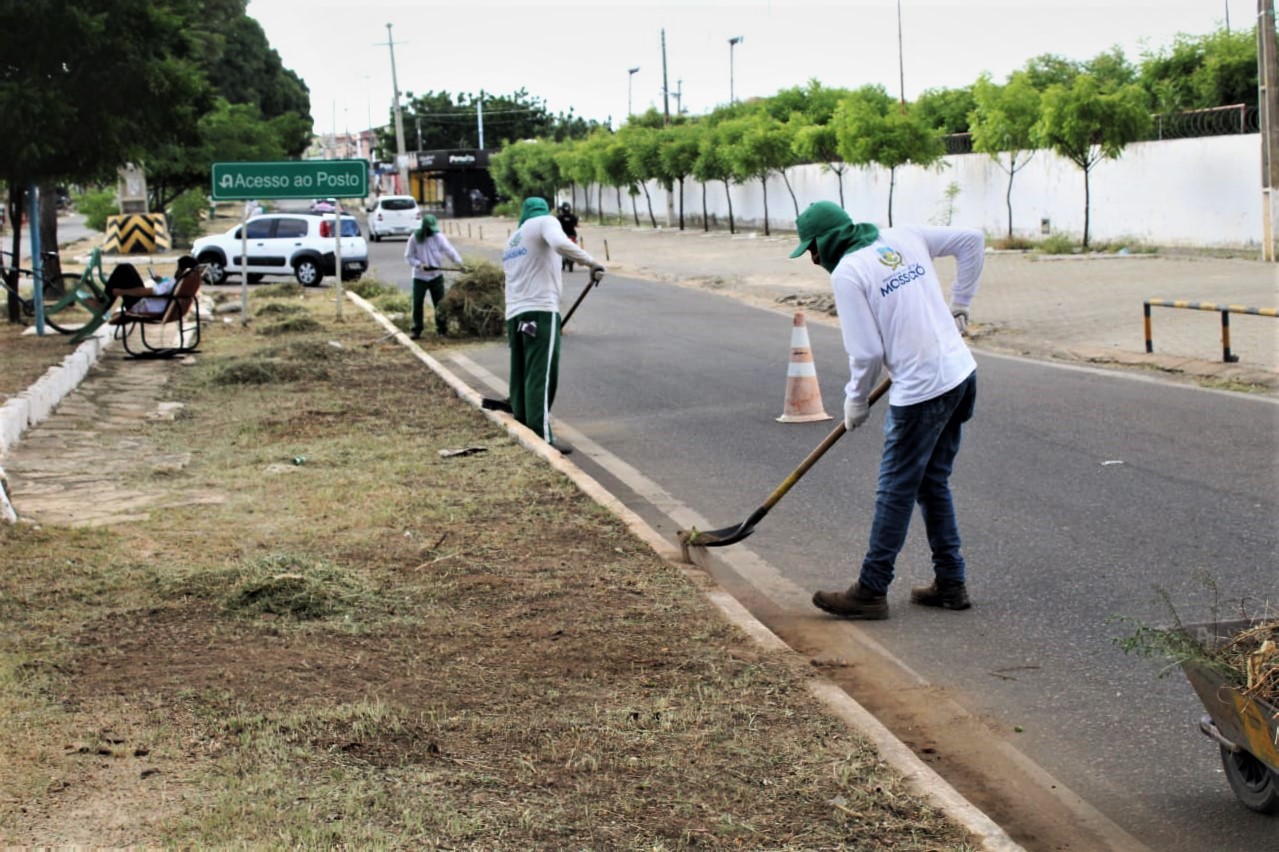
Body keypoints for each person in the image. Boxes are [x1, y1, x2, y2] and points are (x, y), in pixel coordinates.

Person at [793, 201, 984, 621]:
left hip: (922, 391)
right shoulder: (901, 235)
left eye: (812, 248)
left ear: (826, 241)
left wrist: (855, 398)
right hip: (960, 375)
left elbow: (867, 352)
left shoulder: (848, 272)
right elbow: (972, 240)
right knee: (932, 482)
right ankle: (951, 582)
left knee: (895, 490)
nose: (813, 258)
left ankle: (871, 589)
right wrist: (961, 303)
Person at [502, 197, 603, 453]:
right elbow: (560, 243)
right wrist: (591, 262)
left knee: (521, 372)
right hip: (540, 311)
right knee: (542, 374)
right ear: (544, 210)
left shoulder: (512, 240)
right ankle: (541, 435)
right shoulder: (545, 222)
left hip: (514, 313)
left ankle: (523, 425)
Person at [403, 214, 463, 339]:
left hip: (436, 275)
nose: (432, 232)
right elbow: (408, 257)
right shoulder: (414, 238)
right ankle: (417, 329)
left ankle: (442, 329)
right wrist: (420, 265)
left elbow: (450, 251)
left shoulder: (439, 237)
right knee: (417, 303)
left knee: (440, 304)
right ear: (424, 228)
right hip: (420, 277)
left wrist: (461, 264)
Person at [556, 202, 580, 272]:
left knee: (559, 249)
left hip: (562, 236)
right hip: (572, 235)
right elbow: (576, 224)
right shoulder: (573, 217)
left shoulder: (559, 217)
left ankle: (562, 261)